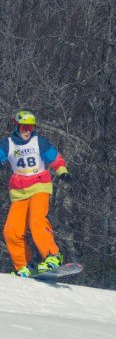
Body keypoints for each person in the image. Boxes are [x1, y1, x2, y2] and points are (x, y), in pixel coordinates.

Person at [0, 110, 72, 277]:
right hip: (19, 192)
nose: (28, 131)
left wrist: (62, 171)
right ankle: (25, 265)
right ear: (17, 127)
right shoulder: (8, 144)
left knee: (37, 221)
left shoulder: (39, 142)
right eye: (25, 127)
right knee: (11, 232)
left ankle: (53, 256)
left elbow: (55, 158)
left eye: (31, 127)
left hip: (40, 186)